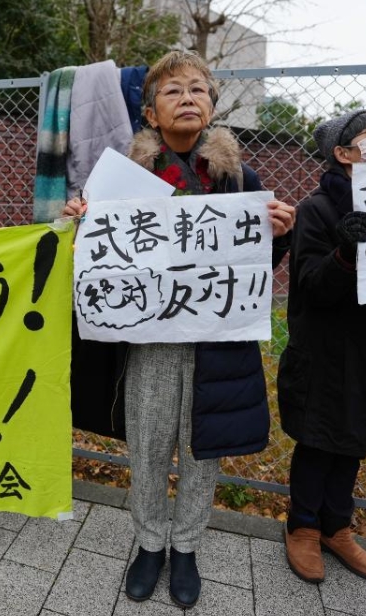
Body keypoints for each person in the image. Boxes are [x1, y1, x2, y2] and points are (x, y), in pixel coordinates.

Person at [63, 50, 295, 608]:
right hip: (150, 340)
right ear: (150, 114)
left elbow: (254, 267)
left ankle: (186, 548)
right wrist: (80, 222)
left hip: (220, 340)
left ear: (212, 106)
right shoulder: (124, 176)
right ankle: (148, 544)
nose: (188, 97)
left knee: (201, 449)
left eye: (198, 89)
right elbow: (99, 259)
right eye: (173, 91)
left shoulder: (241, 176)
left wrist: (279, 234)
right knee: (146, 445)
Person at [276, 109, 366, 584]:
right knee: (319, 440)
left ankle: (337, 525)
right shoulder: (317, 208)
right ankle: (303, 526)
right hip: (326, 350)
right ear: (343, 153)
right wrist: (345, 252)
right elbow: (310, 285)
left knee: (353, 441)